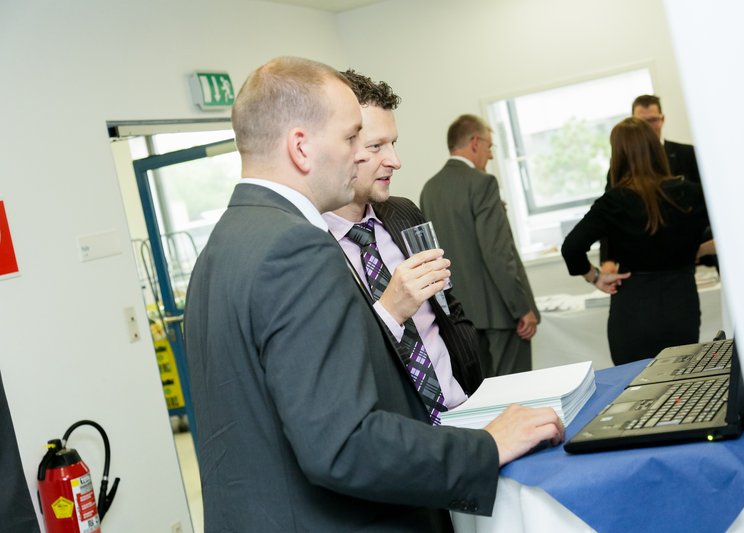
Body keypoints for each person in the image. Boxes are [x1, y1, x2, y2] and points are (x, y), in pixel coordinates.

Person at [183, 56, 564, 532]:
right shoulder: (297, 247)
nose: (359, 156)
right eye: (351, 139)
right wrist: (487, 445)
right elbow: (343, 444)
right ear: (301, 147)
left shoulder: (220, 248)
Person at [323, 70, 483, 401]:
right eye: (376, 146)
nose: (395, 161)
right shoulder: (309, 246)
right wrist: (390, 309)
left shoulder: (404, 212)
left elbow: (447, 307)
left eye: (393, 144)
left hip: (464, 405)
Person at [562, 117, 713, 366]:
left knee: (634, 385)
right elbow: (731, 233)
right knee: (680, 382)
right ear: (656, 149)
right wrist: (697, 249)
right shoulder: (691, 193)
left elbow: (571, 248)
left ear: (618, 155)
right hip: (681, 305)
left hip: (633, 310)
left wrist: (594, 276)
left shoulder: (613, 202)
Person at [420, 114, 539, 377]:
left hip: (458, 316)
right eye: (490, 146)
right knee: (519, 387)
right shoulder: (483, 183)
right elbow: (498, 253)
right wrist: (521, 307)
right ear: (475, 142)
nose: (491, 155)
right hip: (501, 313)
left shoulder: (429, 190)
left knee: (482, 391)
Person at [602, 94, 715, 272]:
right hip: (647, 261)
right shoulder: (622, 167)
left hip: (697, 254)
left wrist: (701, 248)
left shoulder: (688, 154)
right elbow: (611, 214)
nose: (648, 127)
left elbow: (709, 203)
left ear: (662, 120)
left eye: (653, 120)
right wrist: (607, 260)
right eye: (642, 122)